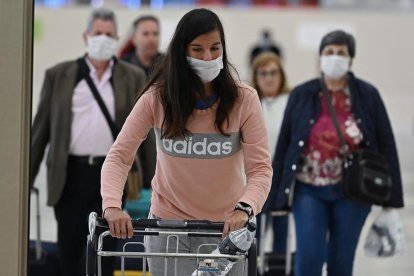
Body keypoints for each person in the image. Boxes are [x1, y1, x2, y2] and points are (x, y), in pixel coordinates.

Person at [101, 8, 273, 276]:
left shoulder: (245, 100)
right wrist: (111, 204)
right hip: (168, 229)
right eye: (198, 49)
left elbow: (261, 169)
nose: (208, 57)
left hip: (225, 229)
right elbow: (119, 156)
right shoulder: (157, 98)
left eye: (215, 48)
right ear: (182, 53)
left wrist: (245, 208)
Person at [262, 30, 404, 276]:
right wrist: (274, 196)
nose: (335, 57)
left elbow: (386, 145)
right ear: (320, 57)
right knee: (309, 260)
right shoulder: (302, 94)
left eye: (341, 53)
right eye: (329, 52)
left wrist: (391, 201)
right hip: (308, 189)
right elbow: (285, 146)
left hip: (353, 191)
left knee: (340, 263)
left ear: (351, 59)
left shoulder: (367, 95)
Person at [30, 8, 146, 276]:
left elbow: (145, 134)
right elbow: (41, 131)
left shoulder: (131, 76)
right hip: (70, 171)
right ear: (86, 36)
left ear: (117, 38)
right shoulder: (59, 75)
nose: (102, 39)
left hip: (112, 173)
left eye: (108, 34)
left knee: (107, 245)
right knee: (69, 247)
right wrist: (24, 182)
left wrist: (151, 179)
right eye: (97, 34)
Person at [251, 52, 290, 254]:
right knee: (253, 230)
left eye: (273, 73)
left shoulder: (290, 101)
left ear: (281, 75)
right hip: (255, 176)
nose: (268, 78)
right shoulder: (249, 100)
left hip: (282, 174)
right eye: (263, 73)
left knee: (281, 227)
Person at [120, 15, 163, 191]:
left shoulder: (169, 65)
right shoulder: (120, 68)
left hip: (161, 140)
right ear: (134, 38)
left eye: (155, 33)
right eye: (146, 34)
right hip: (132, 138)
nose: (151, 38)